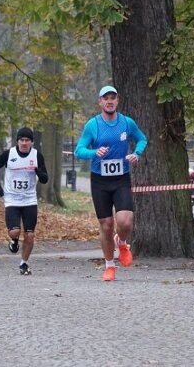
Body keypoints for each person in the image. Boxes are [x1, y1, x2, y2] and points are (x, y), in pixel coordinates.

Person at [74, 85, 147, 281]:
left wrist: (136, 153)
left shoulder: (126, 123)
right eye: (105, 98)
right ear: (100, 102)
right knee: (106, 225)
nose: (109, 101)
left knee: (125, 221)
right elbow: (79, 150)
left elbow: (142, 139)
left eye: (112, 98)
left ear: (117, 101)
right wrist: (93, 153)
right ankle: (109, 266)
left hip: (121, 178)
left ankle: (121, 242)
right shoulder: (93, 125)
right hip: (100, 181)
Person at [0, 127, 49, 275]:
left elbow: (45, 179)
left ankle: (24, 263)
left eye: (27, 140)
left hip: (29, 200)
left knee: (29, 234)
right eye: (21, 140)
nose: (24, 143)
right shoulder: (9, 154)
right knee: (14, 231)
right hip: (12, 199)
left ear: (31, 142)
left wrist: (39, 172)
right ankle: (14, 240)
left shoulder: (37, 156)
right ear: (17, 141)